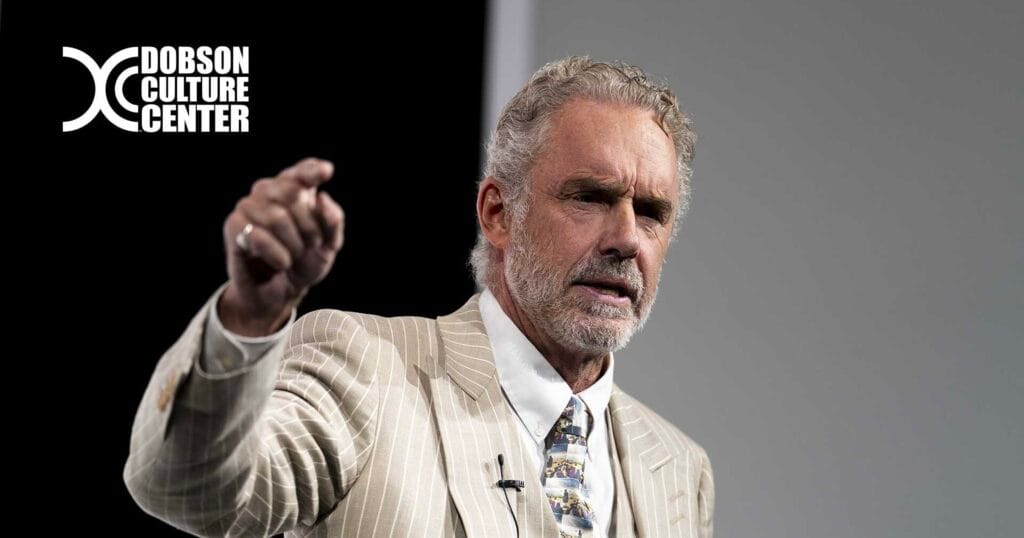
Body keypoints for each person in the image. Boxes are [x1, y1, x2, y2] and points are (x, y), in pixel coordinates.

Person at [124, 55, 714, 538]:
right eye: (589, 197)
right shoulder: (365, 371)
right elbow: (190, 490)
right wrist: (251, 317)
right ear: (499, 214)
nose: (625, 239)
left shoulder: (679, 468)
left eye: (651, 212)